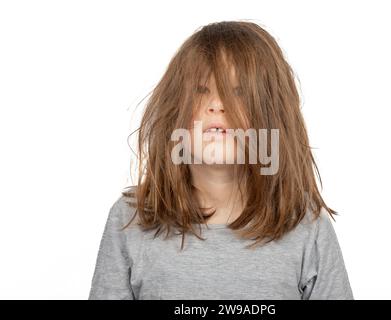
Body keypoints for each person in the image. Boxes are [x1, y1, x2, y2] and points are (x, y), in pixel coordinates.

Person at [88, 20, 354, 300]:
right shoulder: (130, 220)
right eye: (201, 90)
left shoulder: (307, 226)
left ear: (271, 116)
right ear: (174, 110)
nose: (217, 104)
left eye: (238, 92)